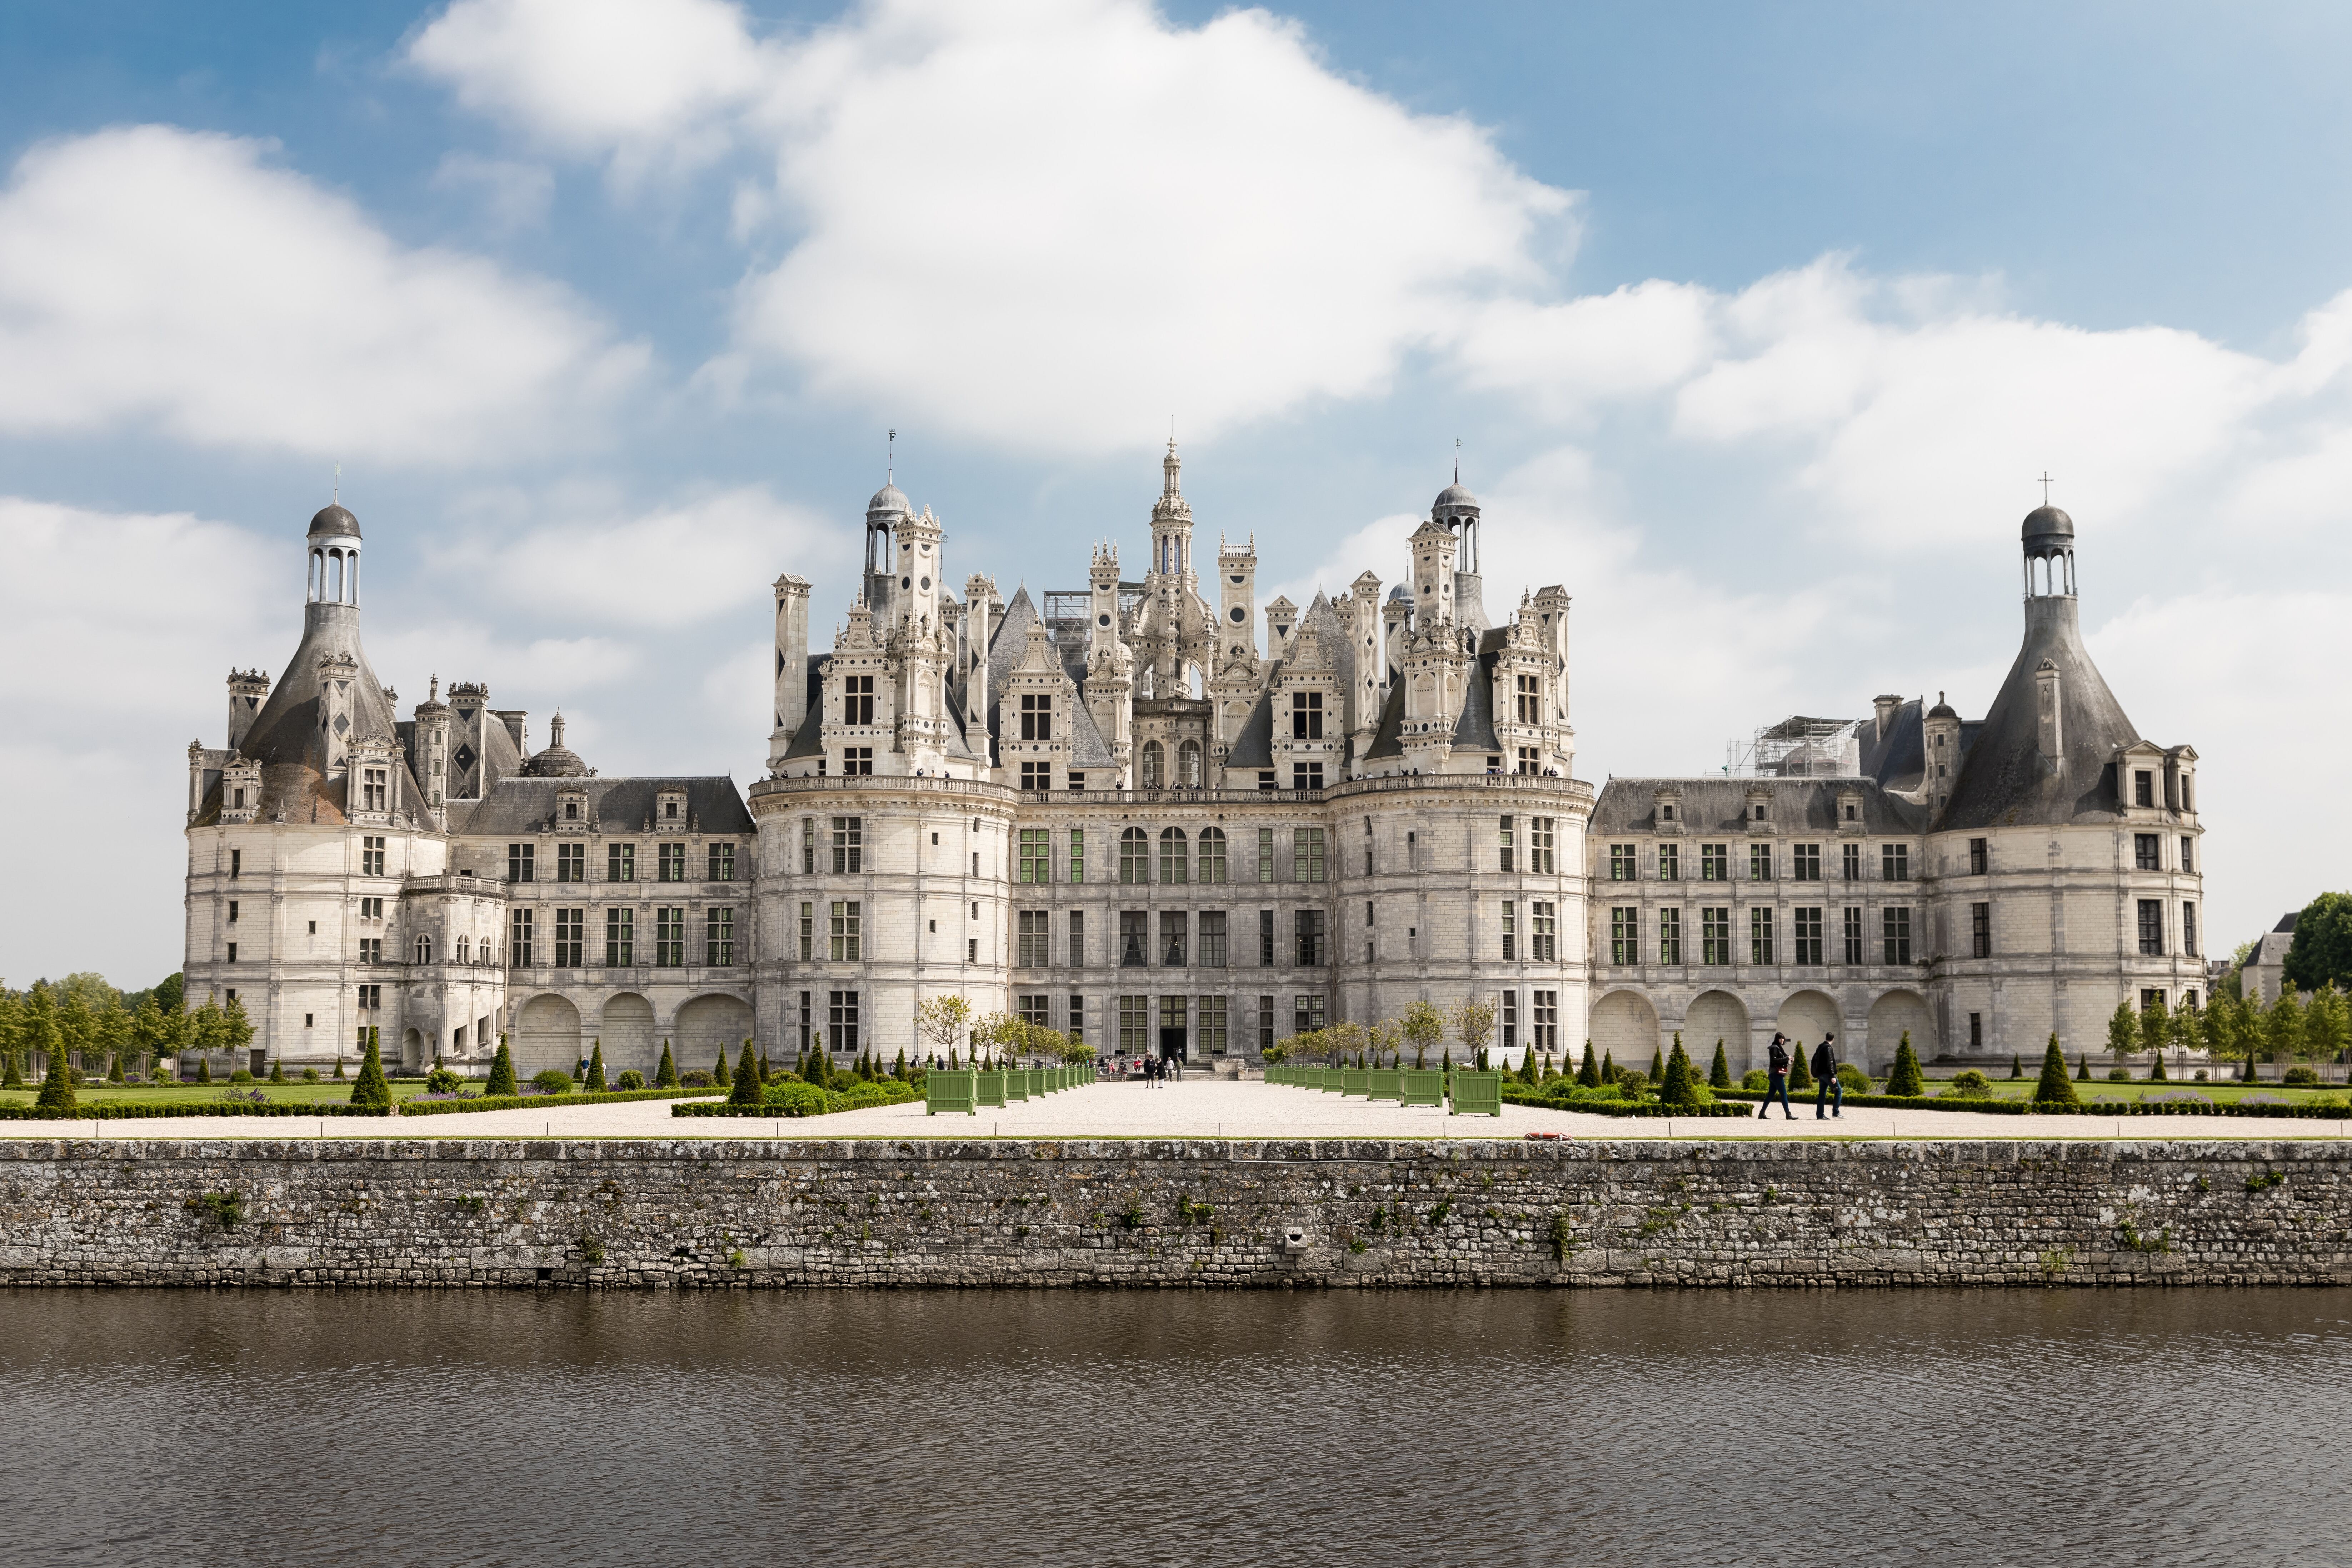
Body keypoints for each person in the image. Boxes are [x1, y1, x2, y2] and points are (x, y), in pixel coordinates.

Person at [1761, 1033, 1797, 1119]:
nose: (1782, 1040)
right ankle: (1788, 1114)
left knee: (1771, 1095)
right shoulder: (1774, 1048)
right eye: (1780, 1038)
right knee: (1784, 1094)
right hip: (1776, 1074)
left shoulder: (1779, 1048)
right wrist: (1786, 1059)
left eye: (1783, 1038)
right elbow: (1774, 1060)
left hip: (1774, 1074)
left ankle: (1762, 1113)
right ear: (1777, 1039)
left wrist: (1789, 1059)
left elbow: (1783, 1058)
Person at [1812, 1033, 1843, 1119]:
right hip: (1827, 1074)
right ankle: (1836, 1112)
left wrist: (1819, 1075)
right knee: (1839, 1091)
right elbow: (1830, 1063)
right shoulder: (1828, 1048)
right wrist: (1833, 1076)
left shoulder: (1820, 1047)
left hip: (1821, 1074)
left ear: (1826, 1038)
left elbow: (1817, 1062)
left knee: (1822, 1094)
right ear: (1833, 1039)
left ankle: (1820, 1115)